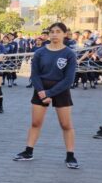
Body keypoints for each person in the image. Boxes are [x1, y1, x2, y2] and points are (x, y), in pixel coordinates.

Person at [13, 22, 79, 169]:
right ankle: (28, 151)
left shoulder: (69, 54)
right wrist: (42, 92)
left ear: (64, 34)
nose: (54, 34)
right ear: (48, 34)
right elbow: (35, 75)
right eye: (52, 31)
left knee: (66, 125)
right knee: (35, 123)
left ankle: (70, 155)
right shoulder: (40, 53)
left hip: (60, 90)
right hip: (41, 88)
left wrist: (50, 93)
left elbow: (69, 79)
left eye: (58, 31)